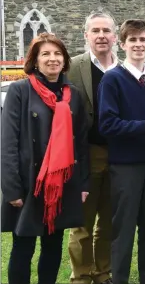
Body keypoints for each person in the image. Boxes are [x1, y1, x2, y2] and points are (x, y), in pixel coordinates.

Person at [1, 32, 90, 284]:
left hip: (62, 184)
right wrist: (11, 189)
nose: (52, 59)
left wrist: (83, 184)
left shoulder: (72, 95)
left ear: (64, 59)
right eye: (46, 54)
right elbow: (7, 142)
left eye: (57, 53)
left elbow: (80, 144)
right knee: (23, 248)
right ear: (35, 60)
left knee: (53, 247)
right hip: (29, 183)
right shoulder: (20, 91)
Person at [97, 19, 145, 284]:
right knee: (124, 228)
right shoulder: (112, 80)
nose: (139, 44)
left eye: (143, 39)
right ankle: (119, 279)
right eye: (133, 40)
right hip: (126, 167)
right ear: (122, 44)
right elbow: (108, 124)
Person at [67, 11, 118, 284]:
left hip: (120, 155)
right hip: (86, 155)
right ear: (85, 34)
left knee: (109, 221)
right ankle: (81, 276)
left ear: (115, 36)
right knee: (82, 222)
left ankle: (103, 273)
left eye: (106, 31)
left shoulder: (124, 69)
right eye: (95, 31)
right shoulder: (72, 67)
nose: (101, 36)